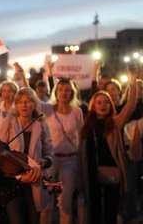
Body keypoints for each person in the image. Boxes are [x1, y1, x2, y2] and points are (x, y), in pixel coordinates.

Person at [78, 66, 138, 224]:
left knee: (111, 210)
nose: (103, 104)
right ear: (93, 105)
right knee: (95, 211)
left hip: (112, 172)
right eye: (99, 102)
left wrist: (132, 82)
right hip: (91, 172)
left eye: (106, 102)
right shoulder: (86, 125)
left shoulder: (115, 123)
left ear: (110, 105)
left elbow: (130, 106)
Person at [38, 77, 84, 224]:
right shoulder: (49, 109)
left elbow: (81, 137)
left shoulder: (77, 111)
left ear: (72, 93)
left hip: (70, 160)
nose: (64, 93)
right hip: (51, 160)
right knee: (46, 201)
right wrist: (21, 77)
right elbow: (34, 100)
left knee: (66, 202)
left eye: (67, 90)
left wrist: (81, 161)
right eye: (60, 90)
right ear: (56, 92)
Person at [6, 88, 54, 224]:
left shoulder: (42, 124)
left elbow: (50, 152)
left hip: (34, 181)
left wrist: (44, 161)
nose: (24, 105)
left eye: (27, 101)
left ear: (34, 104)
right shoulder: (9, 122)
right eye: (20, 102)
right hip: (13, 181)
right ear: (16, 105)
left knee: (33, 219)